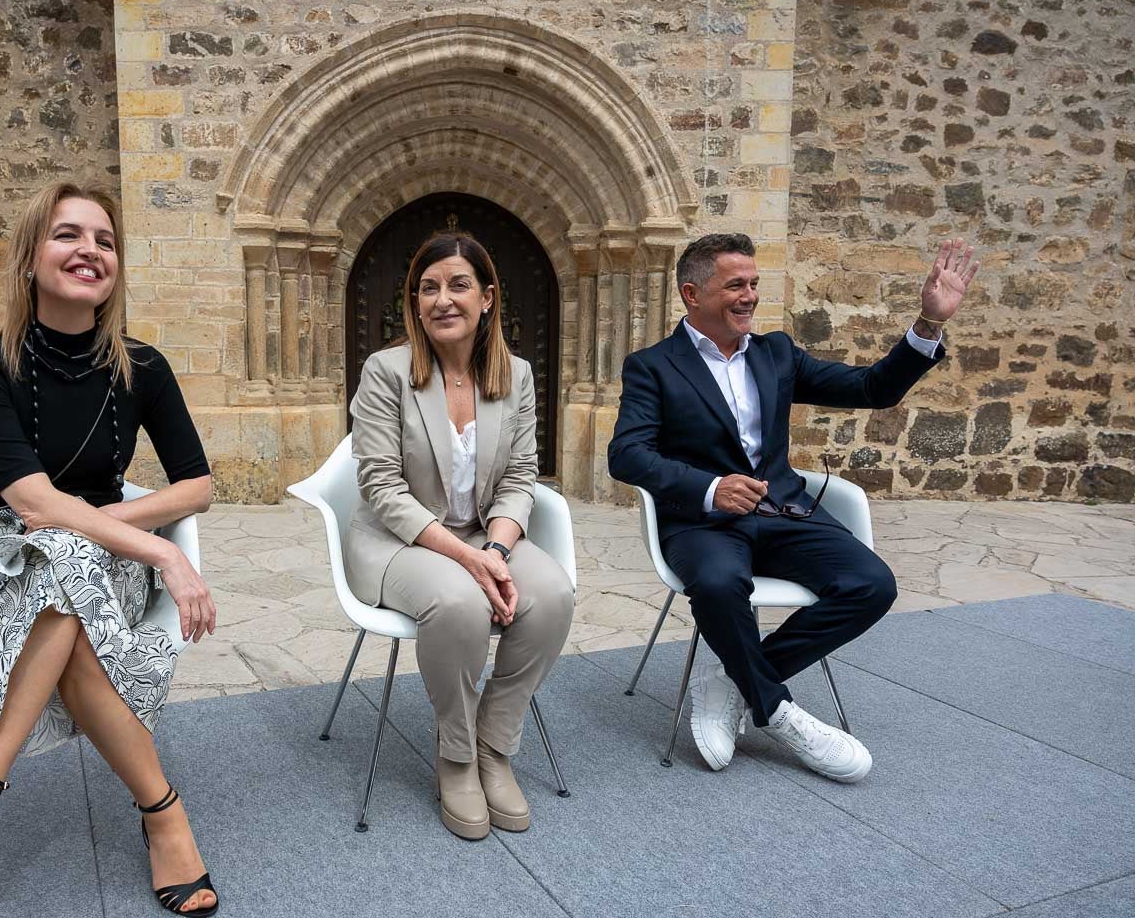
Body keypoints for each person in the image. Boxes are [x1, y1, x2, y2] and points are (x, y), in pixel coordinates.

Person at [0, 183, 220, 916]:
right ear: (30, 256)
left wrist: (119, 520)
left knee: (68, 557)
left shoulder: (142, 368)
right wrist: (163, 554)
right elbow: (29, 502)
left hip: (103, 557)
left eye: (105, 240)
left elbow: (198, 485)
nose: (89, 250)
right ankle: (163, 811)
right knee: (58, 559)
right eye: (67, 234)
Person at [608, 233, 977, 783]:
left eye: (754, 284)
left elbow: (872, 388)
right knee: (716, 584)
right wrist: (711, 488)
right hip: (703, 521)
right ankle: (778, 712)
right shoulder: (652, 367)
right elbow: (627, 454)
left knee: (871, 584)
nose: (750, 296)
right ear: (692, 293)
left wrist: (928, 324)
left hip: (783, 511)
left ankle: (735, 681)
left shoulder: (776, 352)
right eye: (736, 285)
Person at [346, 232, 575, 839]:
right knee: (458, 601)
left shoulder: (517, 375)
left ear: (489, 297)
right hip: (398, 541)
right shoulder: (386, 371)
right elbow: (380, 486)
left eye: (458, 284)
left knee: (552, 596)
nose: (442, 300)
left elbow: (521, 476)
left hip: (482, 532)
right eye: (428, 288)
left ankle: (494, 745)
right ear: (414, 302)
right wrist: (470, 563)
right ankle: (455, 754)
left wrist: (495, 551)